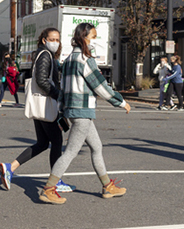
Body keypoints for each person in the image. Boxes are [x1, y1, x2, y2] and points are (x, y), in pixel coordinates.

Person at [39, 23, 131, 204]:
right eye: (93, 37)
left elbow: (63, 88)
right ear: (83, 37)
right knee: (71, 152)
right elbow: (100, 86)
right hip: (82, 112)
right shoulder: (85, 60)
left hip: (74, 111)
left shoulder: (68, 60)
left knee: (97, 147)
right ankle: (48, 189)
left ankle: (107, 186)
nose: (94, 41)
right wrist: (121, 102)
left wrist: (63, 110)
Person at [0, 28, 75, 193]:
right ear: (44, 40)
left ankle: (10, 168)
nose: (55, 42)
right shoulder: (45, 55)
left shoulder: (42, 54)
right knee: (56, 142)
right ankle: (56, 181)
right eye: (52, 39)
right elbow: (41, 80)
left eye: (58, 39)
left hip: (40, 106)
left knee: (42, 143)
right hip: (46, 105)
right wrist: (58, 95)